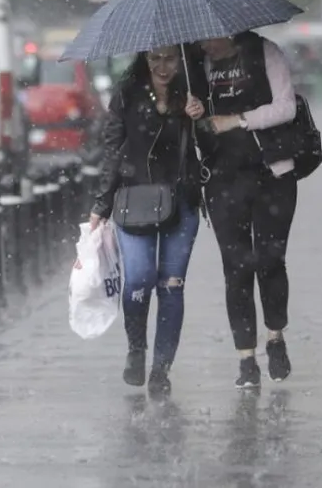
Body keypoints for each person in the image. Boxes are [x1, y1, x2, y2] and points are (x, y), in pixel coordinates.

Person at [89, 45, 206, 396]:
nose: (163, 65)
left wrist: (199, 119)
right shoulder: (127, 95)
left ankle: (161, 369)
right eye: (155, 58)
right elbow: (112, 151)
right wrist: (101, 204)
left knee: (171, 286)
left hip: (181, 200)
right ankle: (136, 348)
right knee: (138, 278)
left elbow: (213, 149)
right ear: (144, 59)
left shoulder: (193, 93)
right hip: (134, 200)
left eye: (170, 58)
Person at [192, 31, 300, 389]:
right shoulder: (197, 63)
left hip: (272, 174)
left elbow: (287, 107)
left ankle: (275, 337)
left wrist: (239, 119)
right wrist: (194, 112)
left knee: (270, 260)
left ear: (228, 31)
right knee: (236, 268)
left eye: (209, 39)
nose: (205, 46)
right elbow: (195, 122)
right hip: (223, 180)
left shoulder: (265, 51)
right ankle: (246, 360)